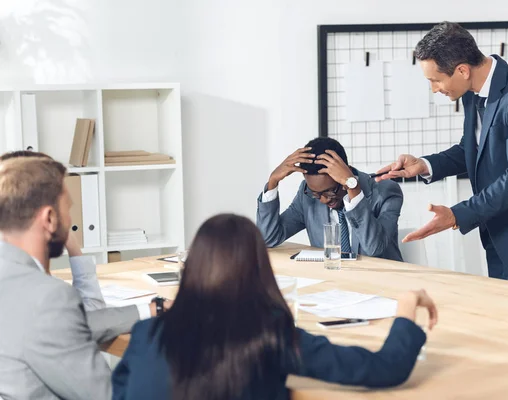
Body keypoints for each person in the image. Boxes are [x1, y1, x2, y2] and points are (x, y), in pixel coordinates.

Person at [112, 213, 437, 399]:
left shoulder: (146, 334)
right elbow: (385, 369)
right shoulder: (271, 337)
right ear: (257, 270)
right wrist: (406, 305)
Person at [376, 22, 508, 287]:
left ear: (462, 70)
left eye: (435, 80)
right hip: (500, 229)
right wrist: (425, 165)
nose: (434, 89)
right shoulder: (472, 91)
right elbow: (472, 148)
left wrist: (457, 214)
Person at [0, 157, 162, 400]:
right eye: (69, 209)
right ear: (49, 218)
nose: (71, 221)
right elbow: (109, 396)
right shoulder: (47, 298)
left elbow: (66, 329)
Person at [257, 137, 404, 261]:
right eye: (316, 193)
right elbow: (268, 238)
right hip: (331, 285)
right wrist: (272, 182)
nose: (323, 200)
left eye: (330, 191)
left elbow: (374, 248)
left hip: (380, 284)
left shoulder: (385, 192)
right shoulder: (307, 195)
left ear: (345, 172)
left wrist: (352, 188)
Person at [0, 150, 104, 311]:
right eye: (66, 208)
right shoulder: (44, 293)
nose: (69, 220)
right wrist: (74, 249)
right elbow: (89, 315)